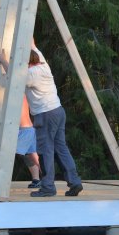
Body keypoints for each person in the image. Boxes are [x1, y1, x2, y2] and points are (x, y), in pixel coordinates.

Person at [24, 41, 82, 198]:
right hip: (58, 111)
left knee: (45, 151)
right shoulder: (42, 62)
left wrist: (2, 60)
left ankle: (48, 187)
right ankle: (74, 181)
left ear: (26, 61)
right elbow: (33, 43)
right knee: (61, 148)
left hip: (45, 115)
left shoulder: (31, 74)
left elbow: (12, 78)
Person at [17, 95, 42, 188]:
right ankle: (37, 179)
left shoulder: (18, 92)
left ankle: (46, 179)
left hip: (24, 129)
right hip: (27, 128)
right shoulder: (21, 93)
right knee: (30, 155)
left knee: (7, 153)